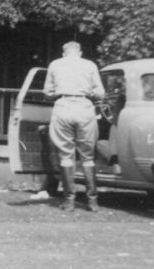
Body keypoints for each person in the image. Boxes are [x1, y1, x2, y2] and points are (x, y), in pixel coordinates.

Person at [44, 41, 105, 212]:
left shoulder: (55, 64)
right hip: (84, 108)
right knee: (88, 157)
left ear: (64, 53)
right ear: (80, 53)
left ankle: (69, 201)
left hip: (63, 107)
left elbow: (47, 92)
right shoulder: (90, 65)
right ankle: (92, 202)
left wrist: (59, 92)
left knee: (66, 155)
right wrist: (88, 93)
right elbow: (100, 93)